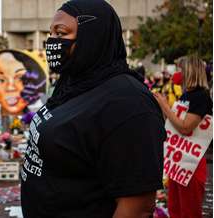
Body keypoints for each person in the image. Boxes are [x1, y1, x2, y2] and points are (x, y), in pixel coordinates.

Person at [20, 0, 166, 217]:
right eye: (50, 34)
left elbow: (137, 207)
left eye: (61, 34)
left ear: (93, 38)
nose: (51, 42)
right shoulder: (73, 82)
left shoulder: (128, 102)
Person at [153, 56, 212, 218]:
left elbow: (185, 127)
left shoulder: (201, 97)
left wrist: (165, 106)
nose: (178, 74)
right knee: (175, 208)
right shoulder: (187, 95)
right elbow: (174, 125)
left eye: (181, 70)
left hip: (191, 164)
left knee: (189, 210)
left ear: (190, 72)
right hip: (179, 163)